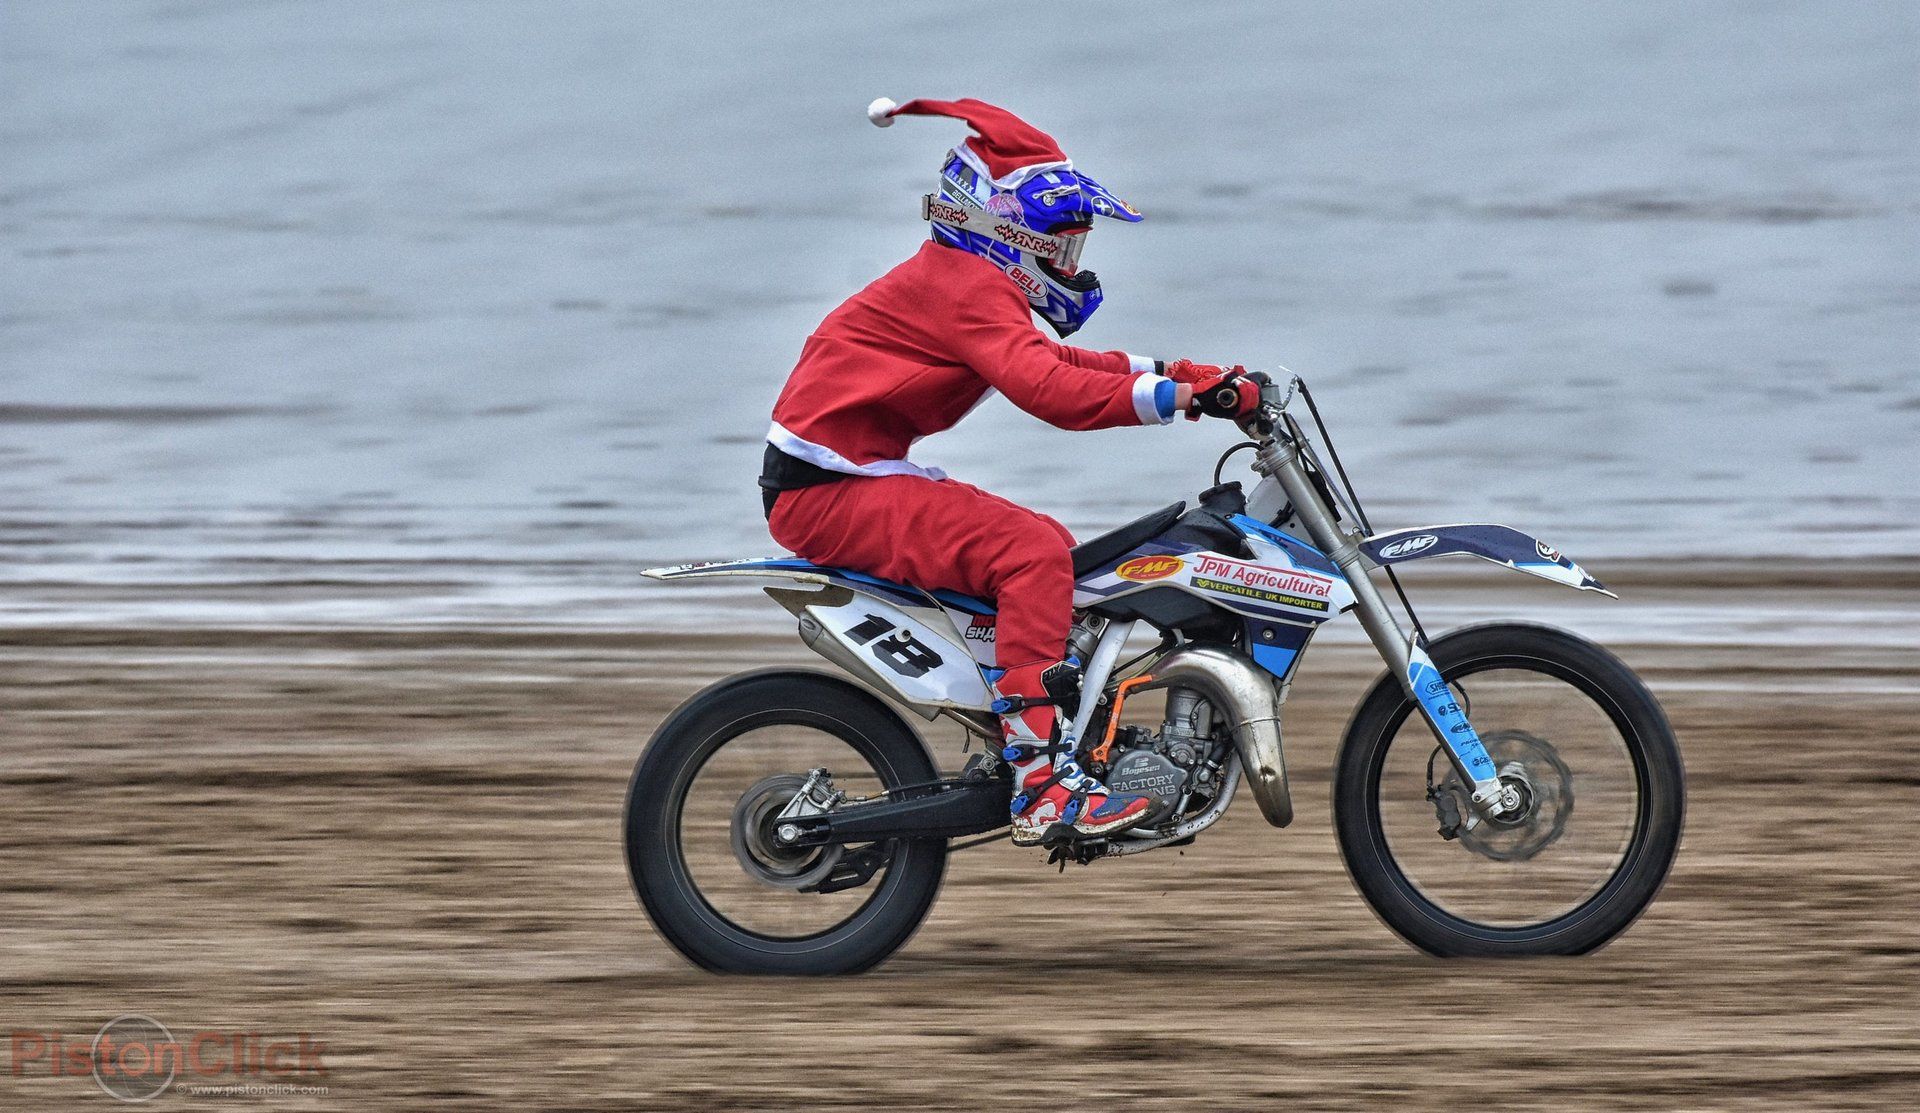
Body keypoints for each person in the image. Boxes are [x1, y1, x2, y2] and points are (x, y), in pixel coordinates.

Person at [760, 97, 1262, 849]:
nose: (1070, 263)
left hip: (847, 472)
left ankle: (1038, 720)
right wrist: (1179, 397)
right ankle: (1041, 784)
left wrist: (1189, 376)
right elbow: (1051, 391)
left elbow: (1060, 362)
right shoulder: (964, 285)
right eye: (1060, 245)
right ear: (1002, 226)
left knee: (1052, 556)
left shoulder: (965, 280)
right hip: (830, 488)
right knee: (1028, 553)